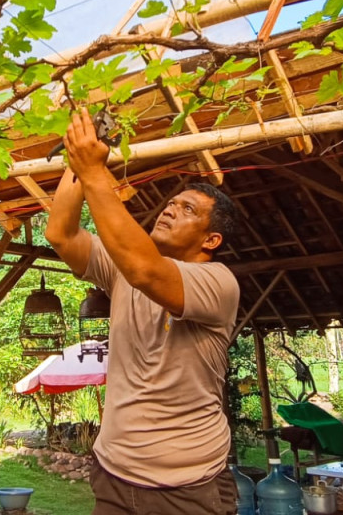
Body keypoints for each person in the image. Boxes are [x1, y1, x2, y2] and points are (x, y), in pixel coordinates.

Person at [44, 109, 241, 515]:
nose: (169, 209)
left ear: (212, 239)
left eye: (187, 210)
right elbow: (60, 233)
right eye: (171, 203)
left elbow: (145, 270)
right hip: (114, 471)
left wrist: (95, 169)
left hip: (186, 483)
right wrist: (78, 162)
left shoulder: (219, 283)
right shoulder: (121, 269)